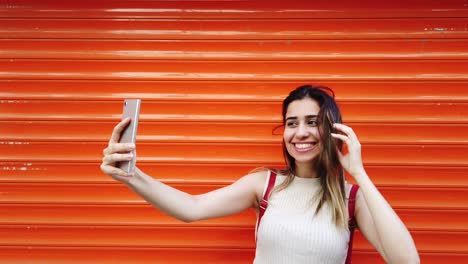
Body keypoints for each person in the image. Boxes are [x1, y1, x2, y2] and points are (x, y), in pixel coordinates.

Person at [101, 85, 420, 263]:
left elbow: (407, 262)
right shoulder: (265, 185)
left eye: (312, 122)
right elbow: (191, 209)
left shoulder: (350, 198)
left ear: (331, 130)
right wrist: (132, 177)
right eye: (292, 123)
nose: (301, 132)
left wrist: (359, 173)